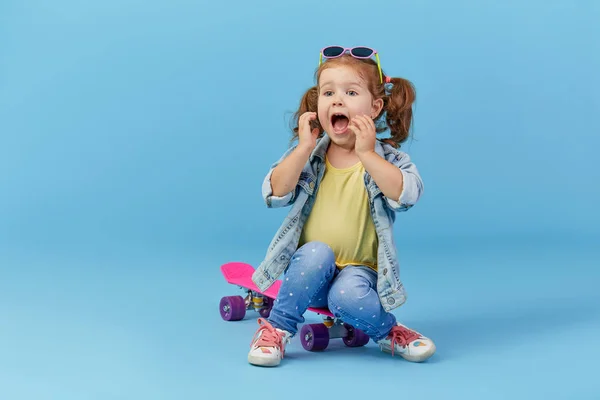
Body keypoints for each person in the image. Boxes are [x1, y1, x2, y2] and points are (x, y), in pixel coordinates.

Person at [247, 46, 435, 367]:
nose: (337, 100)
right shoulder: (310, 157)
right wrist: (304, 147)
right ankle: (277, 328)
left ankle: (390, 331)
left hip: (359, 277)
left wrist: (368, 154)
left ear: (375, 107)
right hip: (309, 275)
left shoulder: (387, 160)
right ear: (317, 103)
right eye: (328, 92)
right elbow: (274, 192)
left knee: (348, 296)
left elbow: (406, 195)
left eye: (350, 92)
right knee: (316, 251)